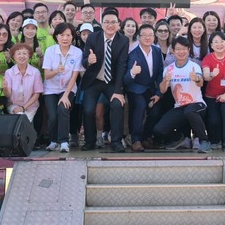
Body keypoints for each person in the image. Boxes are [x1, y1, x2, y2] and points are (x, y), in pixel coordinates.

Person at [80, 9, 129, 152]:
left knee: (117, 105)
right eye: (107, 22)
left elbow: (121, 66)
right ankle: (90, 141)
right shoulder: (93, 38)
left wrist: (119, 90)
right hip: (94, 80)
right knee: (88, 110)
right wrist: (89, 61)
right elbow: (84, 61)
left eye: (113, 22)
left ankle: (116, 141)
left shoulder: (123, 40)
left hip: (112, 82)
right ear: (101, 24)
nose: (110, 25)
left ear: (118, 25)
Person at [154, 37, 211, 153]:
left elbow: (200, 83)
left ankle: (204, 141)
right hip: (180, 107)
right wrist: (165, 80)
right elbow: (163, 90)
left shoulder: (194, 66)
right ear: (173, 51)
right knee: (158, 129)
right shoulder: (169, 69)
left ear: (188, 50)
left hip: (197, 104)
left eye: (184, 49)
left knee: (189, 111)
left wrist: (196, 78)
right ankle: (179, 138)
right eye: (178, 49)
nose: (181, 52)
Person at [42, 23, 83, 153]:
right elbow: (46, 75)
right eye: (62, 35)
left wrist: (65, 96)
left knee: (63, 108)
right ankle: (53, 141)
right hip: (50, 89)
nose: (65, 38)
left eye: (68, 35)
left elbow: (74, 76)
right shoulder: (50, 51)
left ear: (72, 37)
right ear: (56, 36)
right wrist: (56, 71)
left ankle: (64, 142)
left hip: (68, 88)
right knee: (53, 116)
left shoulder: (77, 52)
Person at [124, 24, 165, 152]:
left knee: (156, 110)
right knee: (140, 107)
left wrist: (159, 92)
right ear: (139, 37)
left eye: (150, 35)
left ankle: (146, 137)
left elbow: (160, 73)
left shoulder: (157, 51)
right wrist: (132, 72)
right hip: (135, 89)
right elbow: (126, 79)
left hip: (151, 89)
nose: (147, 38)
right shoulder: (133, 54)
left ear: (154, 36)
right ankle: (135, 140)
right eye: (144, 35)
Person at [4, 43, 43, 122]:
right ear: (13, 57)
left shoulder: (35, 72)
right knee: (21, 119)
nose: (22, 56)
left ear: (29, 56)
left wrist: (23, 108)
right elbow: (8, 95)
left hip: (31, 106)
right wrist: (5, 88)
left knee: (24, 122)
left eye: (24, 53)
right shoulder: (9, 72)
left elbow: (37, 93)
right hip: (13, 105)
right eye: (18, 54)